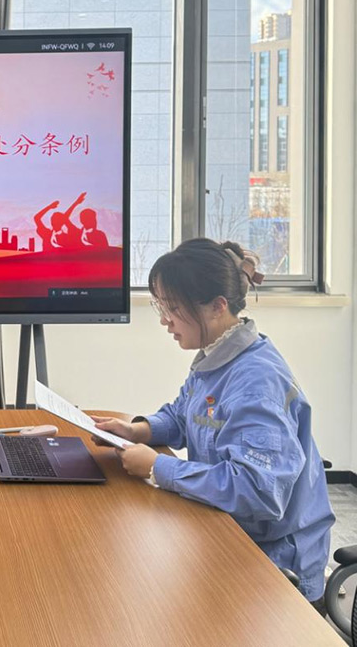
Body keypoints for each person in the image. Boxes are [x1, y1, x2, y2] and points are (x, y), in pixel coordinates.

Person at [94, 238, 334, 611]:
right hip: (229, 534)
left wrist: (159, 467)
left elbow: (257, 492)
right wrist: (139, 430)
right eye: (161, 306)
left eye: (172, 308)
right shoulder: (218, 355)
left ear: (217, 306)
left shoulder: (256, 382)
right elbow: (184, 413)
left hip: (275, 568)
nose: (164, 320)